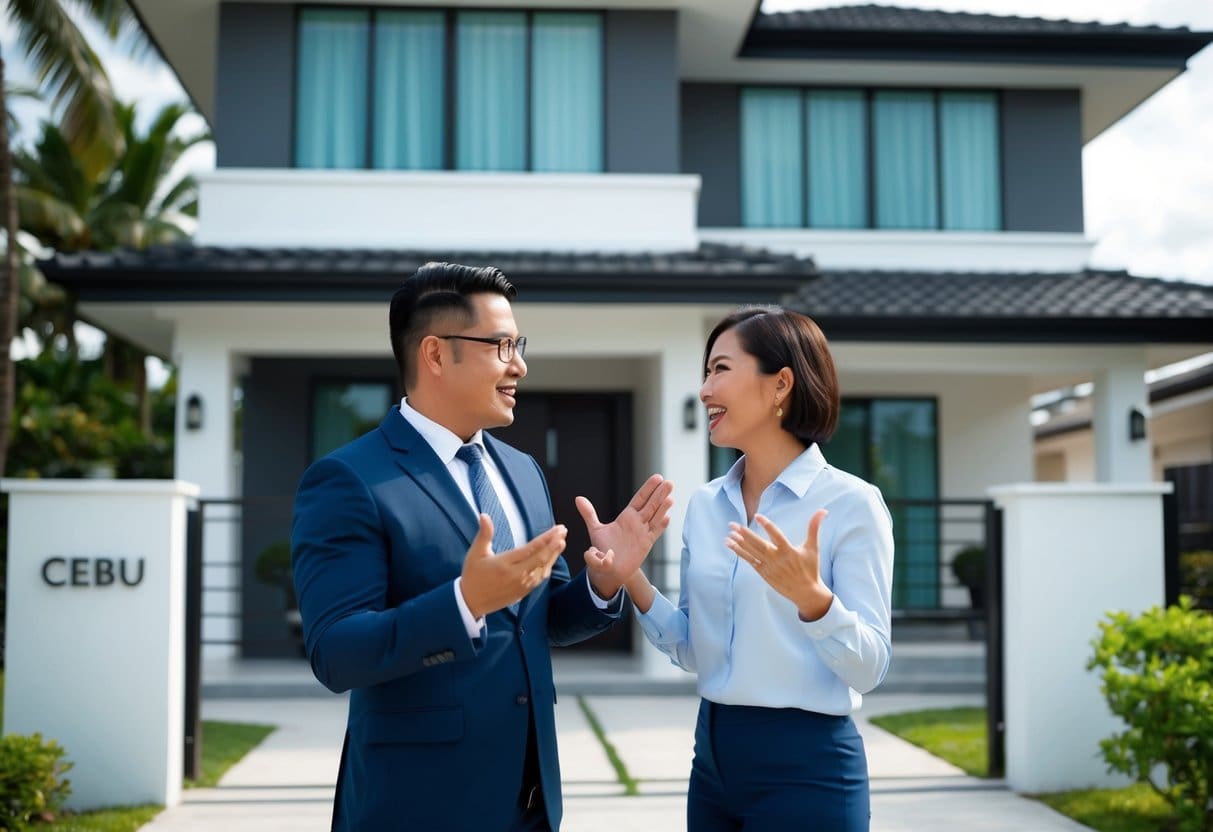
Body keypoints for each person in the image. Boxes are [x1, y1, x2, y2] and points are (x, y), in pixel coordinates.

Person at [291, 262, 674, 832]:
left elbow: (537, 620)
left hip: (531, 800)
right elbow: (336, 652)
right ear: (436, 355)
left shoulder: (520, 472)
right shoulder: (349, 480)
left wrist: (603, 583)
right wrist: (463, 602)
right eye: (501, 345)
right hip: (417, 807)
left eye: (519, 344)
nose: (519, 364)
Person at [601, 306, 893, 832]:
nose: (706, 390)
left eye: (721, 370)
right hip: (713, 758)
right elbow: (694, 649)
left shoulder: (853, 503)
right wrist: (632, 578)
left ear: (781, 383)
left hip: (809, 768)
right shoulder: (708, 505)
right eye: (705, 373)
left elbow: (870, 668)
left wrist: (814, 602)